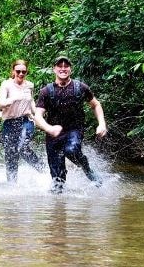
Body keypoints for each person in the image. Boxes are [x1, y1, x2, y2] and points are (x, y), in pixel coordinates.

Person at [34, 56, 107, 193]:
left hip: (74, 130)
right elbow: (38, 116)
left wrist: (101, 124)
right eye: (59, 66)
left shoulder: (80, 88)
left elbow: (96, 104)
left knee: (71, 150)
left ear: (70, 69)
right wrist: (49, 128)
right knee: (57, 183)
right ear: (54, 69)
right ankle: (60, 211)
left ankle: (87, 169)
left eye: (66, 66)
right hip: (53, 136)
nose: (63, 68)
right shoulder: (46, 91)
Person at [0, 59, 44, 182]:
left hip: (26, 121)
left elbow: (31, 101)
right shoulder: (6, 84)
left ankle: (42, 169)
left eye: (24, 72)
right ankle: (12, 183)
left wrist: (36, 114)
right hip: (9, 122)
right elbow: (0, 104)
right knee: (10, 153)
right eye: (18, 71)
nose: (21, 74)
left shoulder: (29, 85)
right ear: (13, 71)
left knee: (22, 147)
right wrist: (13, 99)